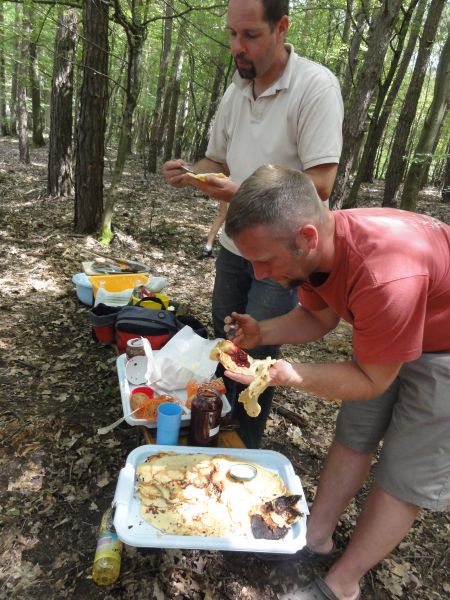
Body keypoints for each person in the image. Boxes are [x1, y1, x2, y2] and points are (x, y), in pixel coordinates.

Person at [221, 164, 450, 600]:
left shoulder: (386, 276)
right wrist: (262, 333)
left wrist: (290, 375)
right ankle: (315, 538)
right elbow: (318, 314)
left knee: (403, 472)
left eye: (265, 260)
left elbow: (370, 380)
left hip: (445, 347)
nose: (260, 274)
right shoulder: (321, 249)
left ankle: (343, 583)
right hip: (394, 324)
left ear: (306, 237)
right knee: (354, 434)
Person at [163, 0, 343, 448]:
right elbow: (217, 159)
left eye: (250, 36)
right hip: (233, 244)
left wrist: (241, 191)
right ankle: (216, 427)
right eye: (231, 35)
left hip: (284, 255)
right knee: (226, 338)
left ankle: (245, 450)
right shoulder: (236, 91)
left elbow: (321, 182)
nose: (236, 48)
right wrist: (191, 173)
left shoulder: (314, 86)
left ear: (280, 27)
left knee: (255, 351)